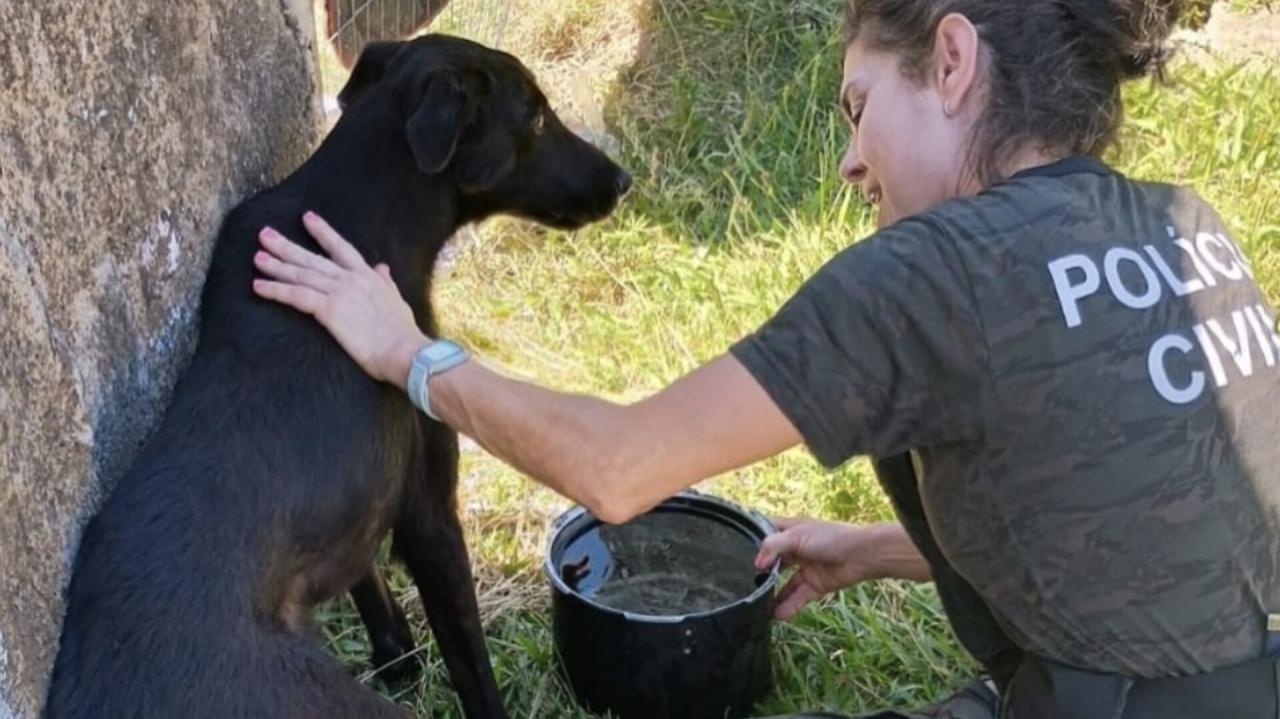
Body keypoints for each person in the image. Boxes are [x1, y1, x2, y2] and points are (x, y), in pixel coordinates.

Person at [250, 0, 1280, 716]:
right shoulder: (1183, 230)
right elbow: (1130, 511)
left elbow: (617, 467)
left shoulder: (935, 269)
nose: (845, 160)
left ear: (953, 61)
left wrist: (407, 351)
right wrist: (870, 547)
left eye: (856, 105)